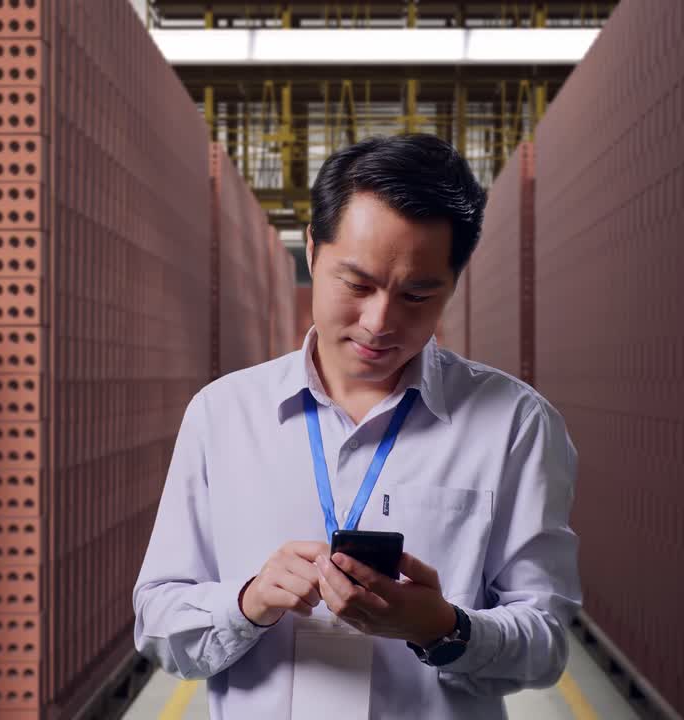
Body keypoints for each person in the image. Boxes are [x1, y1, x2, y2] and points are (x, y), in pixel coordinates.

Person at [131, 133, 582, 719]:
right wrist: (247, 604)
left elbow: (544, 642)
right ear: (313, 251)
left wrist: (444, 628)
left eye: (418, 294)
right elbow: (159, 621)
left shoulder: (515, 425)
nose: (379, 322)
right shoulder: (223, 415)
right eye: (358, 284)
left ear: (453, 282)